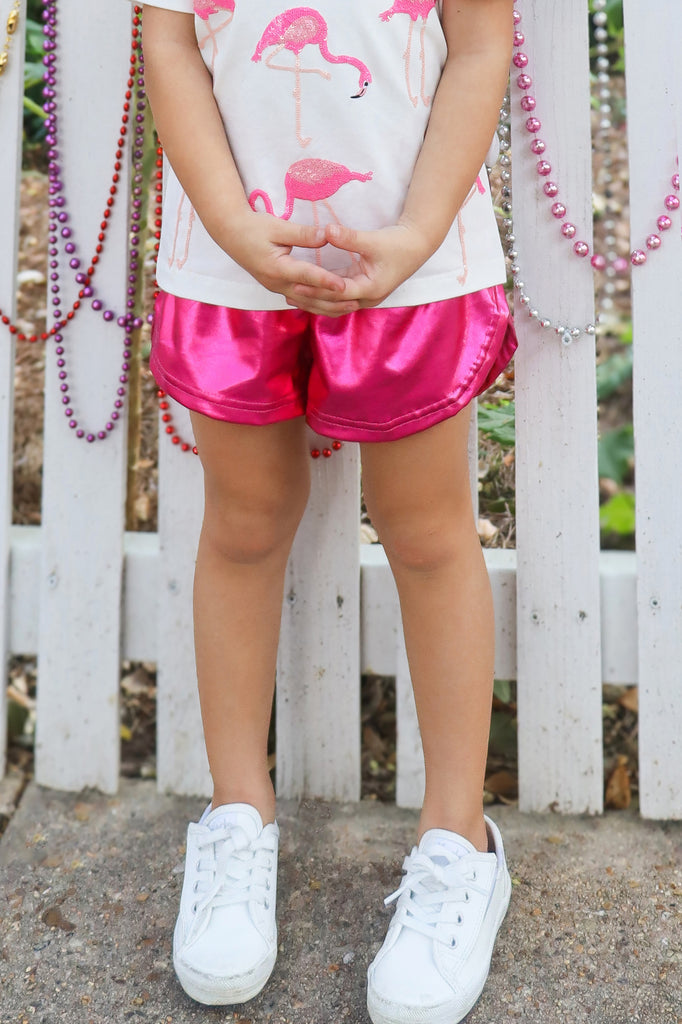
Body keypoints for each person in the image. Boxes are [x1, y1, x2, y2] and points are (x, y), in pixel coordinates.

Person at [142, 1, 517, 1021]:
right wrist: (229, 222)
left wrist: (415, 232)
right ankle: (235, 814)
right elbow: (168, 37)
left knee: (430, 534)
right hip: (234, 259)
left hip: (412, 256)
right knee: (245, 521)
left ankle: (456, 842)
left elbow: (480, 41)